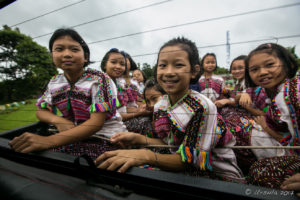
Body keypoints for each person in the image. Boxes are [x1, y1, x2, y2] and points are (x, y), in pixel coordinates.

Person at [95, 37, 244, 183]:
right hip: (177, 159)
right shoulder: (162, 104)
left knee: (137, 171)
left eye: (178, 65)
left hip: (215, 175)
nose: (168, 72)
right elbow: (170, 143)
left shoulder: (203, 107)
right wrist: (138, 138)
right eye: (163, 65)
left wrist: (145, 155)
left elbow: (189, 161)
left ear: (194, 71)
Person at [9, 28, 126, 157]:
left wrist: (48, 141)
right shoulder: (54, 82)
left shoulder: (100, 79)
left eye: (74, 49)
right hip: (71, 136)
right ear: (52, 56)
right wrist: (59, 121)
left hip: (105, 138)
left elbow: (95, 124)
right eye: (59, 49)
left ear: (85, 57)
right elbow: (41, 110)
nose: (67, 54)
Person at [242, 43, 300, 189]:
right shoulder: (280, 92)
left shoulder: (291, 95)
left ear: (287, 64)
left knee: (259, 173)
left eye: (269, 65)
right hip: (289, 146)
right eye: (254, 69)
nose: (262, 72)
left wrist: (266, 128)